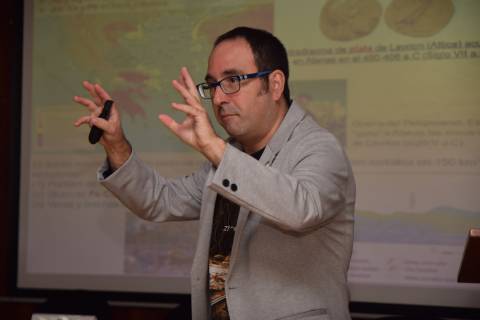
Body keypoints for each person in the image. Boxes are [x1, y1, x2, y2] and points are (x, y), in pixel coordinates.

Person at [74, 27, 355, 320]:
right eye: (213, 85)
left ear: (274, 84)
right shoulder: (231, 155)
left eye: (232, 81)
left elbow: (302, 209)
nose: (218, 98)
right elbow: (160, 200)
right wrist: (117, 146)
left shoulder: (319, 148)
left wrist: (214, 148)